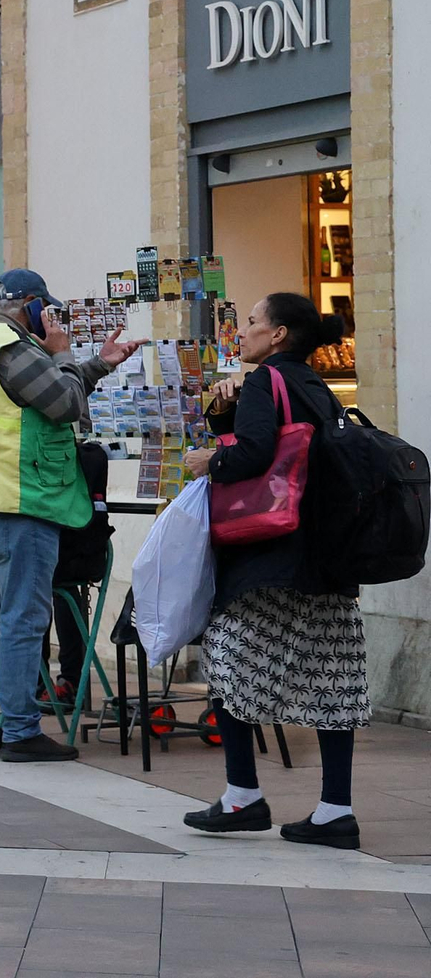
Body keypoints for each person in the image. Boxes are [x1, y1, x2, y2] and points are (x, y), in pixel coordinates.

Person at [181, 294, 366, 849]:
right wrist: (227, 412)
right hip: (328, 559)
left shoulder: (266, 380)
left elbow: (255, 454)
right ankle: (336, 811)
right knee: (332, 680)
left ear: (278, 334)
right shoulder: (317, 387)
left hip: (272, 558)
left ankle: (242, 795)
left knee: (225, 660)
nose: (242, 331)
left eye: (252, 322)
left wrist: (208, 460)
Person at [0, 269, 144, 762]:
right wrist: (62, 353)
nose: (51, 319)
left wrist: (97, 365)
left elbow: (49, 394)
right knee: (24, 618)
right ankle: (19, 730)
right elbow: (65, 404)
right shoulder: (13, 347)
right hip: (21, 499)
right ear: (31, 305)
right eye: (47, 309)